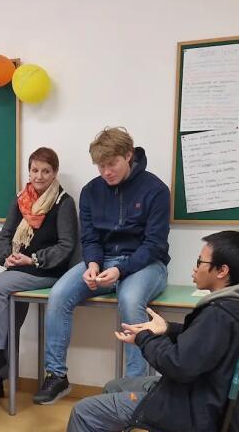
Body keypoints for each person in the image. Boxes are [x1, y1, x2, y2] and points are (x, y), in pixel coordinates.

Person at [37, 231, 239, 432]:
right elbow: (203, 344)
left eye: (200, 262)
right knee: (115, 385)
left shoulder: (219, 315)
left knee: (84, 411)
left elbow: (178, 365)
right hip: (211, 400)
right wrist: (166, 330)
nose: (194, 268)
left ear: (222, 271)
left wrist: (145, 340)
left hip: (189, 408)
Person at [33, 127, 170, 406]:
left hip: (147, 264)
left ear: (128, 156)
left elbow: (154, 244)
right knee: (58, 295)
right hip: (103, 261)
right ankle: (56, 375)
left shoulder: (155, 190)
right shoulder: (91, 191)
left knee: (130, 300)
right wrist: (93, 264)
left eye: (112, 164)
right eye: (101, 166)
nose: (107, 172)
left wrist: (121, 271)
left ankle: (136, 388)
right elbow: (90, 238)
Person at [0, 147, 80, 385]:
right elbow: (4, 236)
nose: (39, 176)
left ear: (54, 173)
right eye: (34, 170)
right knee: (5, 317)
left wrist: (33, 259)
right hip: (19, 269)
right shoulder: (21, 200)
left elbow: (66, 246)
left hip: (48, 271)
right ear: (29, 171)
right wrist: (6, 257)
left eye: (45, 171)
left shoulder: (63, 203)